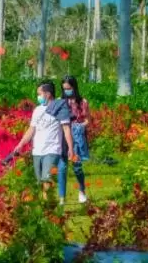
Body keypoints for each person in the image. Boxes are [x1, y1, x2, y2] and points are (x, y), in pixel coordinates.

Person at [4, 81, 74, 197]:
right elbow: (31, 130)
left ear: (47, 94)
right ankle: (48, 204)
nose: (38, 97)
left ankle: (46, 205)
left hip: (53, 150)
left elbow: (66, 129)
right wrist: (20, 144)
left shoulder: (60, 108)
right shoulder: (37, 110)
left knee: (47, 178)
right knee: (39, 181)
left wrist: (70, 148)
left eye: (40, 94)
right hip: (37, 150)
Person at [58, 75, 90, 204]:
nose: (67, 91)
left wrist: (80, 125)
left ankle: (82, 190)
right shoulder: (60, 101)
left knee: (76, 165)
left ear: (74, 87)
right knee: (62, 166)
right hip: (63, 137)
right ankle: (62, 197)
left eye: (69, 88)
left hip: (76, 138)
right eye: (64, 88)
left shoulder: (82, 102)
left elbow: (88, 120)